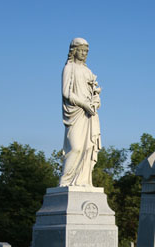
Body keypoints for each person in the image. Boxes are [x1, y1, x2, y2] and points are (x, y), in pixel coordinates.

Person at [59, 37, 101, 187]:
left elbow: (94, 94)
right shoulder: (69, 68)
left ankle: (83, 182)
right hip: (76, 113)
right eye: (81, 50)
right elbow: (66, 93)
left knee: (88, 148)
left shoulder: (88, 71)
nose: (84, 53)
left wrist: (95, 102)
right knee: (75, 148)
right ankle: (65, 183)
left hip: (89, 116)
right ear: (74, 51)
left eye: (86, 51)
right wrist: (84, 104)